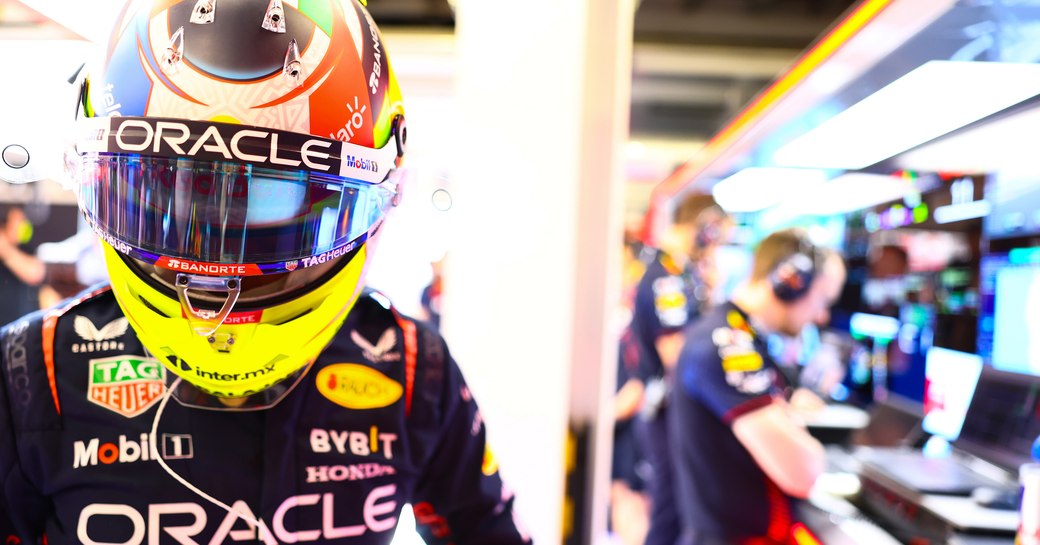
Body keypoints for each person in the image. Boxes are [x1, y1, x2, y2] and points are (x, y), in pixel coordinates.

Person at [0, 2, 531, 544]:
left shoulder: (416, 372)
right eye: (169, 199)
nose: (215, 273)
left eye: (271, 204)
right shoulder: (29, 376)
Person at [669, 228, 847, 544]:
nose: (821, 315)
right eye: (822, 300)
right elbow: (803, 472)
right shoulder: (728, 345)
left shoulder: (738, 335)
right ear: (791, 281)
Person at [631, 193, 727, 545]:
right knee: (669, 516)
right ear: (703, 227)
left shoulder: (682, 274)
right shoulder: (666, 278)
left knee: (678, 513)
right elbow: (675, 353)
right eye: (715, 234)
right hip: (666, 411)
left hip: (674, 410)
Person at [0, 204, 45, 325]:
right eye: (17, 221)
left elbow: (35, 273)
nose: (21, 225)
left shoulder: (26, 249)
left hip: (21, 325)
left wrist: (5, 249)